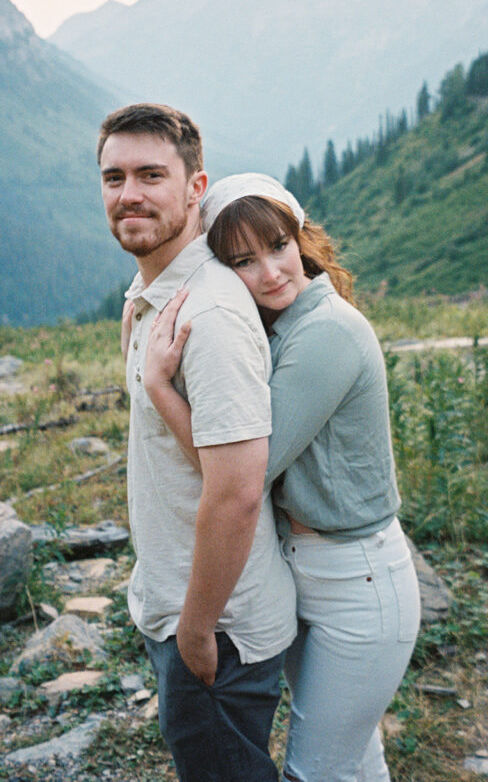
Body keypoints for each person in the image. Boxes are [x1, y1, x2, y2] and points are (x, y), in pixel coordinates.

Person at [141, 172, 421, 782]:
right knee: (355, 754)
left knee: (318, 768)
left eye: (278, 247)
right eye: (243, 260)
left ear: (303, 241)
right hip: (310, 568)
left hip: (357, 578)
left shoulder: (327, 333)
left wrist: (158, 386)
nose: (269, 272)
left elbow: (249, 472)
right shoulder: (281, 326)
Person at [98, 107, 297, 782]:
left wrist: (195, 628)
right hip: (185, 603)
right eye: (114, 176)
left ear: (195, 187)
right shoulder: (154, 293)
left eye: (152, 174)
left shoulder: (207, 315)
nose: (129, 193)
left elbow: (239, 492)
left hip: (220, 626)